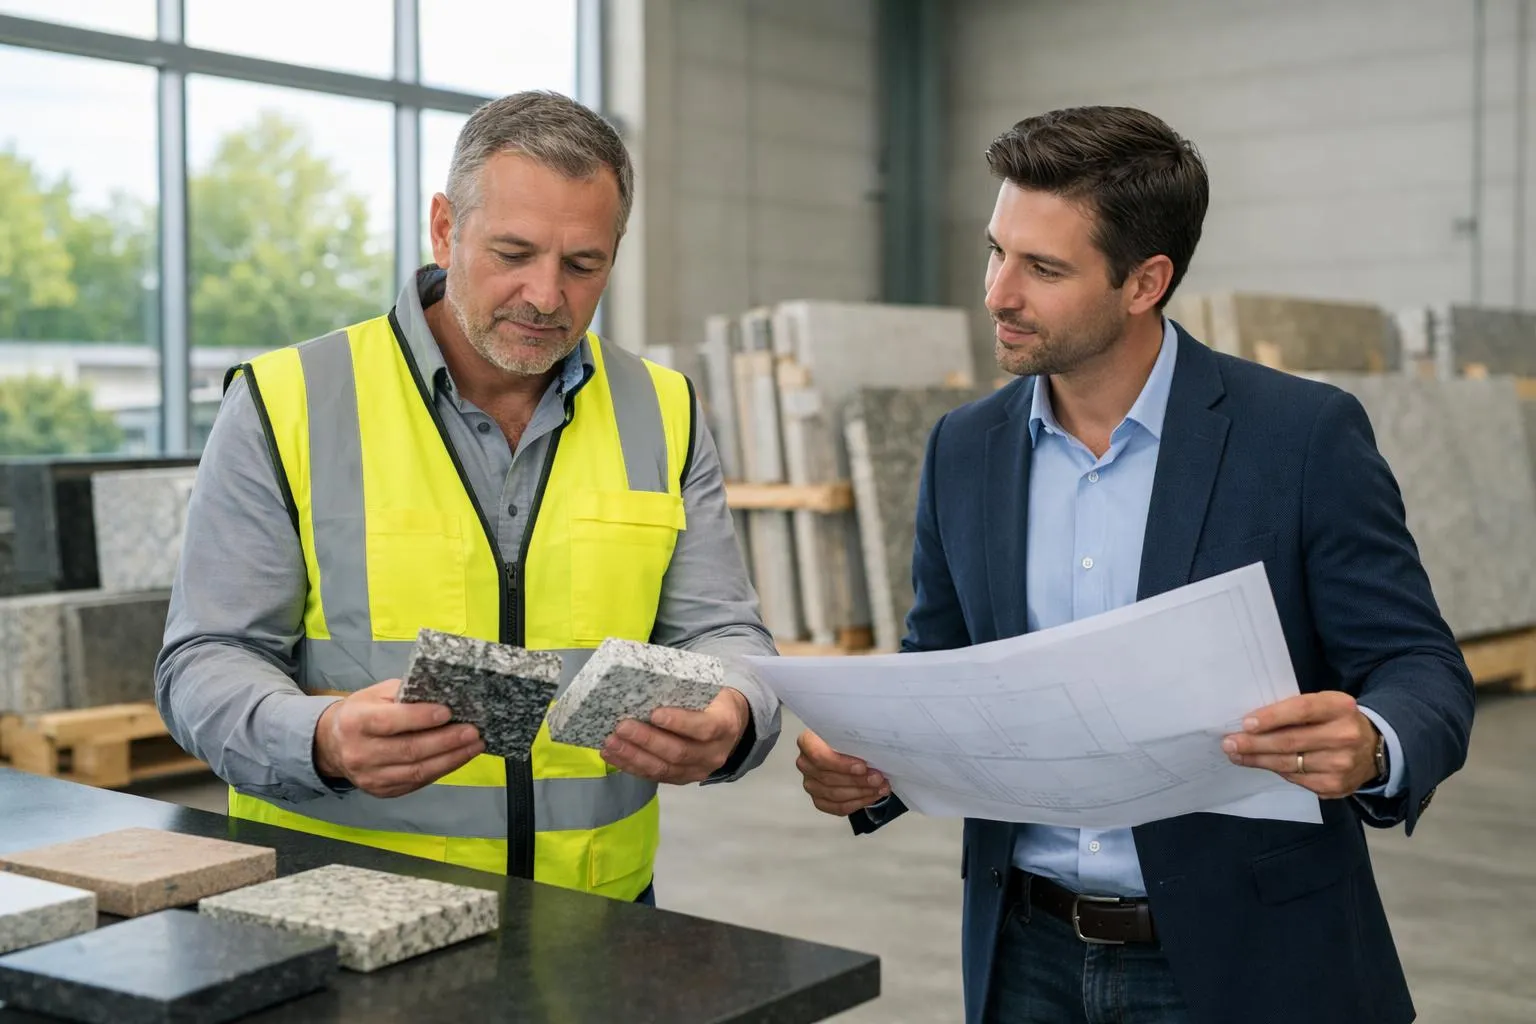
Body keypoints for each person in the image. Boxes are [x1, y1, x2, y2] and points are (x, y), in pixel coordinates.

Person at [794, 106, 1475, 1023]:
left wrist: (1377, 742)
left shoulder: (1300, 437)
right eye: (997, 251)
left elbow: (1421, 667)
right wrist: (868, 768)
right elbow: (942, 661)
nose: (997, 292)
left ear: (1144, 281)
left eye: (1043, 268)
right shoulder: (966, 448)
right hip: (1023, 954)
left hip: (1246, 958)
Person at [156, 90, 781, 904]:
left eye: (582, 265)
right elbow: (203, 659)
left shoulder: (664, 410)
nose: (546, 296)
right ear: (445, 227)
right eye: (513, 253)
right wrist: (322, 738)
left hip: (600, 923)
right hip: (344, 910)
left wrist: (736, 714)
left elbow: (722, 628)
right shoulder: (289, 401)